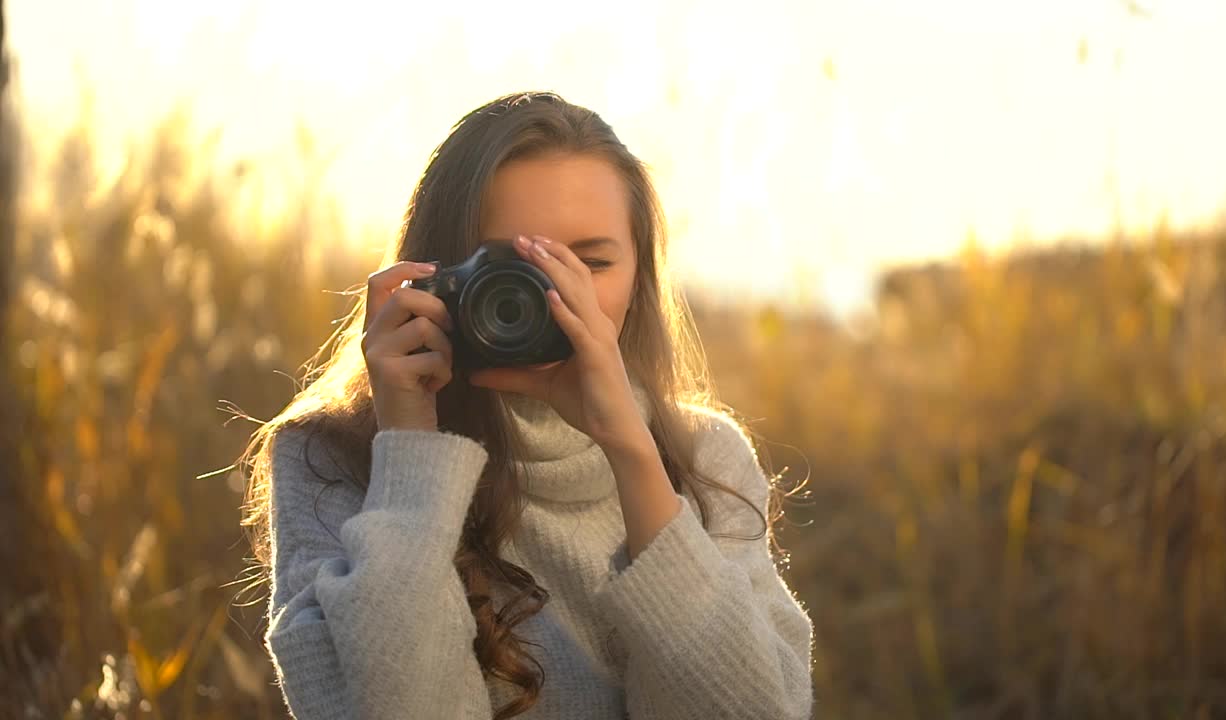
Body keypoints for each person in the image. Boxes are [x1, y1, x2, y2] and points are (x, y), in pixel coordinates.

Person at [239, 91, 815, 719]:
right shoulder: (331, 457)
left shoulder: (705, 456)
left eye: (589, 263)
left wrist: (633, 453)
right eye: (511, 266)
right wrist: (409, 453)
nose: (551, 296)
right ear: (433, 275)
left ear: (640, 280)